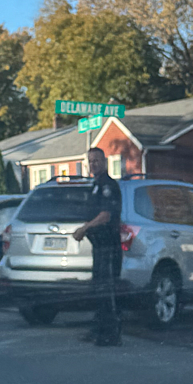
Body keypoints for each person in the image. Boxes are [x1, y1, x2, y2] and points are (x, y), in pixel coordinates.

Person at [72, 147, 123, 346]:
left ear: (105, 162)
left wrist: (84, 228)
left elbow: (106, 215)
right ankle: (98, 330)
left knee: (108, 291)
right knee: (98, 289)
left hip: (109, 246)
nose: (93, 164)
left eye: (97, 161)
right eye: (90, 161)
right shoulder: (95, 184)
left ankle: (111, 334)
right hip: (99, 246)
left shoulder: (108, 185)